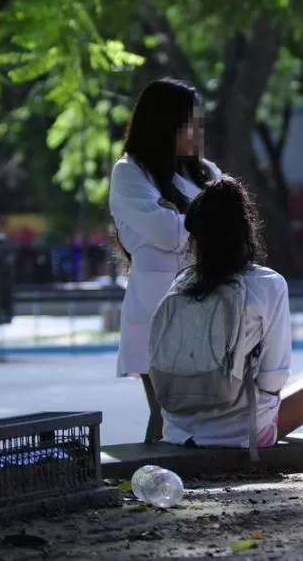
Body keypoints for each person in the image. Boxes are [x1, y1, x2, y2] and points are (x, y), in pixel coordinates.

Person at [152, 175, 303, 448]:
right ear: (246, 231)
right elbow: (273, 380)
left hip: (179, 434)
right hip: (243, 435)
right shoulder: (268, 284)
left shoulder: (181, 284)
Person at [108, 78, 221, 443]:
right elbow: (165, 234)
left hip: (207, 309)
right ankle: (153, 483)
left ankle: (181, 481)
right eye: (189, 122)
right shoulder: (129, 172)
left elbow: (231, 225)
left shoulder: (206, 172)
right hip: (155, 310)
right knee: (167, 412)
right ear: (163, 123)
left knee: (200, 415)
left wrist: (179, 214)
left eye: (198, 122)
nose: (196, 131)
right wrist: (197, 219)